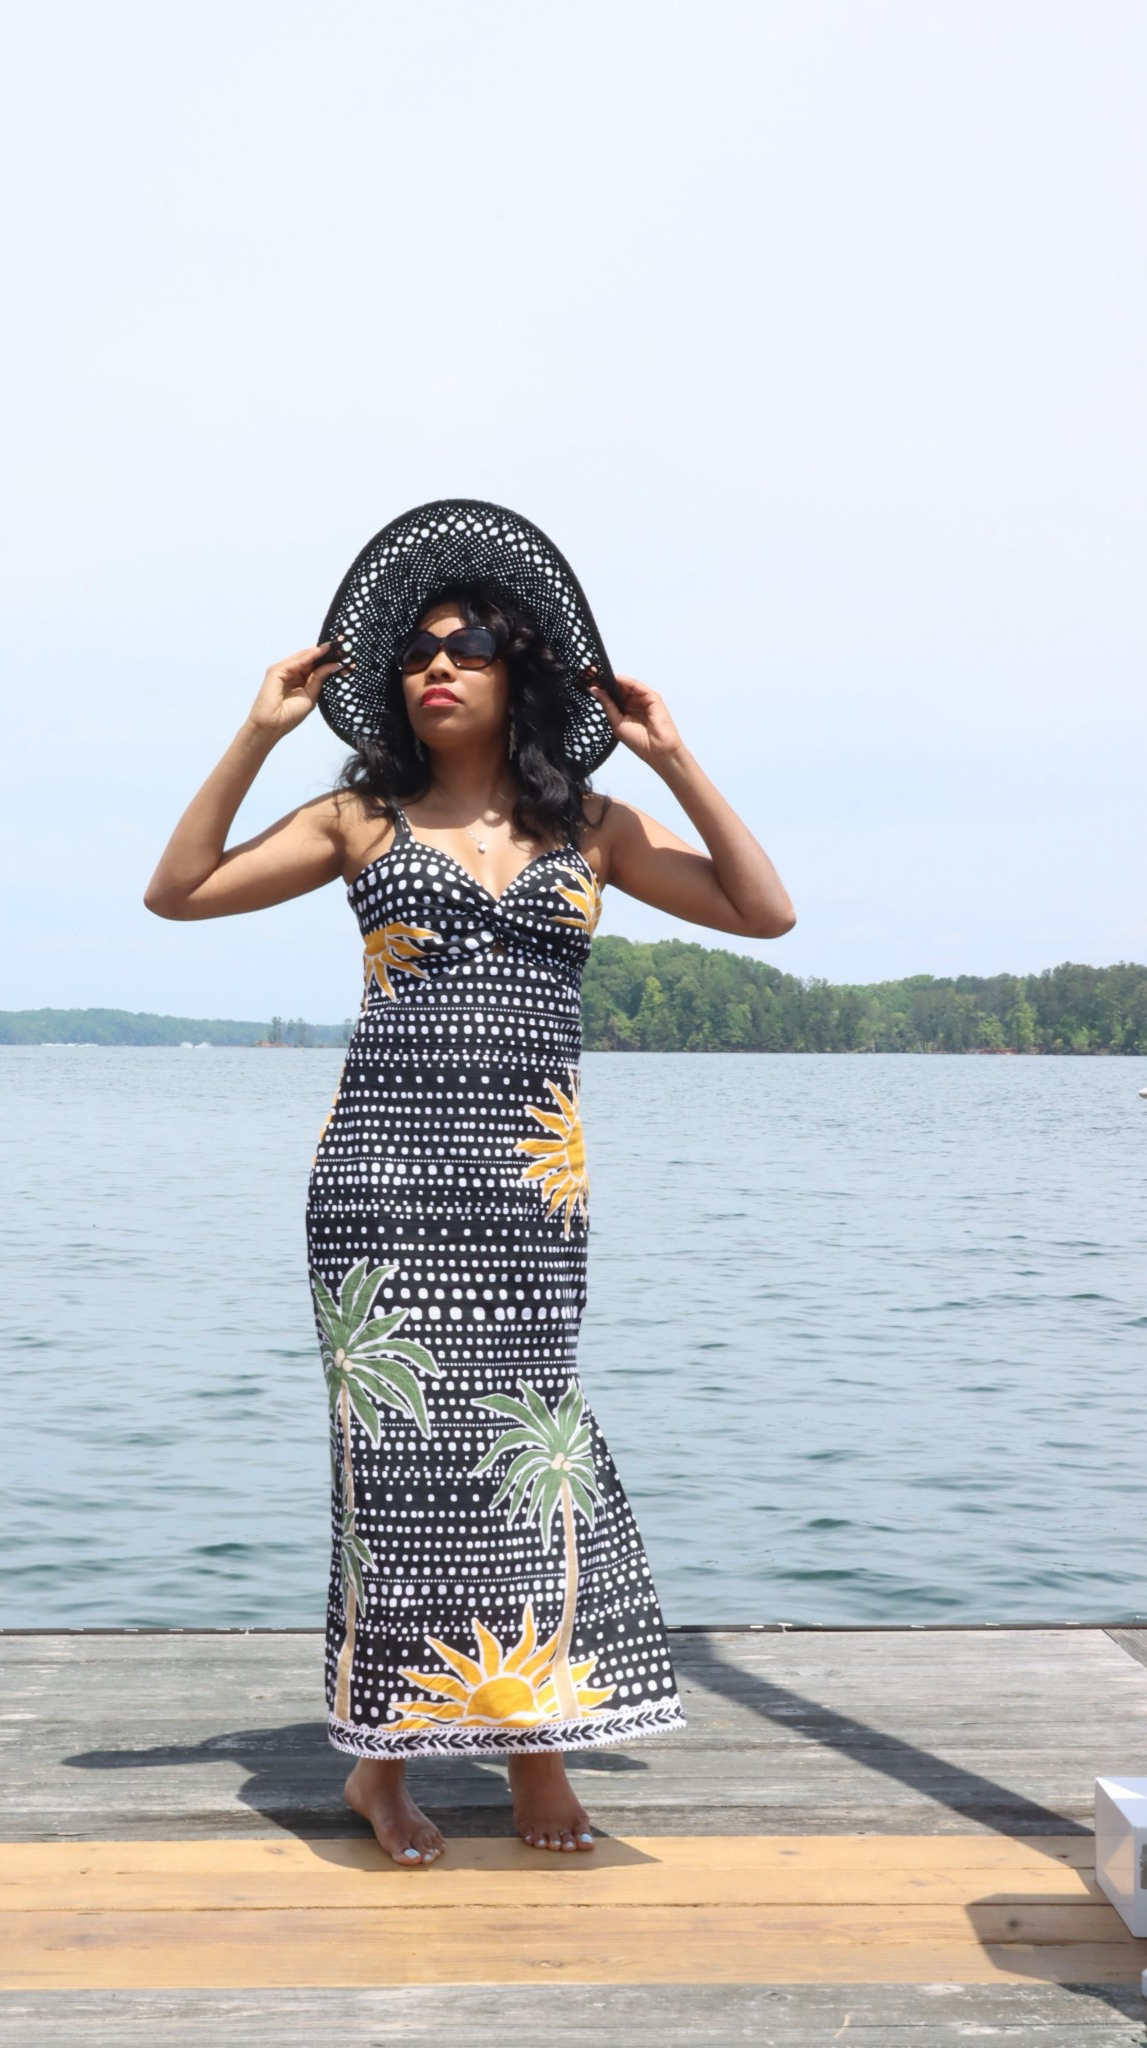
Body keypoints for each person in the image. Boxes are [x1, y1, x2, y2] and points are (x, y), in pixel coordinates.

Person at [145, 501, 794, 1867]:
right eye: (418, 651)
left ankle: (530, 1746)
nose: (437, 665)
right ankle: (379, 1767)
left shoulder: (593, 827)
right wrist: (257, 733)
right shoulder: (354, 820)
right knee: (395, 1474)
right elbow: (179, 890)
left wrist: (674, 757)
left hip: (528, 1198)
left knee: (525, 1465)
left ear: (520, 673)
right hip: (379, 1189)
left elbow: (764, 911)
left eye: (470, 647)